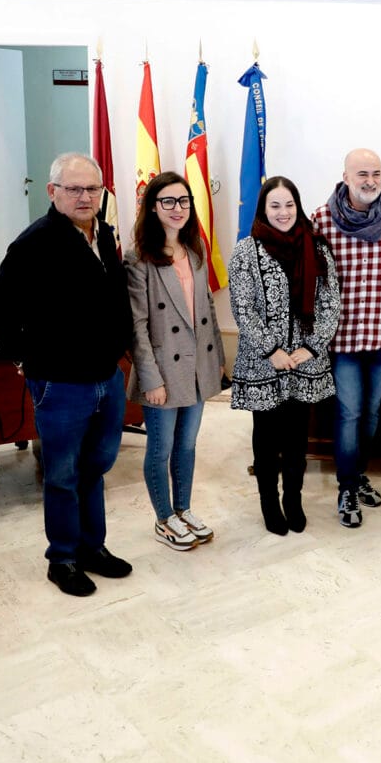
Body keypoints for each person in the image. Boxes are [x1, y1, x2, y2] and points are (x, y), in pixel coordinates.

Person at [0, 152, 133, 597]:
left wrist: (121, 347)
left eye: (92, 189)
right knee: (63, 475)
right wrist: (25, 362)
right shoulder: (34, 244)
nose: (85, 196)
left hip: (106, 378)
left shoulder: (104, 235)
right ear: (53, 192)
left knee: (96, 468)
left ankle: (93, 547)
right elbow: (0, 311)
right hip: (61, 383)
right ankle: (63, 559)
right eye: (74, 188)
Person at [228, 176, 340, 535]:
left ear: (298, 206)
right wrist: (271, 351)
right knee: (266, 438)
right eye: (275, 205)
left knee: (296, 439)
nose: (283, 212)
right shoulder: (247, 250)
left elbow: (330, 303)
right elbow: (242, 307)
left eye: (289, 205)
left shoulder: (317, 248)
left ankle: (293, 500)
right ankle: (269, 504)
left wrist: (311, 347)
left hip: (306, 362)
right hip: (264, 364)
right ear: (263, 209)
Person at [312, 148, 381, 529]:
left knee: (371, 415)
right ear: (345, 177)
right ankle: (347, 488)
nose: (370, 181)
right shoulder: (322, 220)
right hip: (342, 343)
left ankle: (357, 475)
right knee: (349, 414)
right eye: (362, 174)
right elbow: (315, 283)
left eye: (376, 173)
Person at [125, 172, 226, 550]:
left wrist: (216, 355)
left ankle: (183, 510)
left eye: (183, 200)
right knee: (161, 447)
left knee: (187, 445)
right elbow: (136, 327)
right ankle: (164, 518)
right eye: (167, 201)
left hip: (198, 366)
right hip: (163, 371)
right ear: (153, 207)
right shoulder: (138, 259)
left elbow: (208, 313)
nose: (177, 208)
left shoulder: (195, 249)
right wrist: (151, 378)